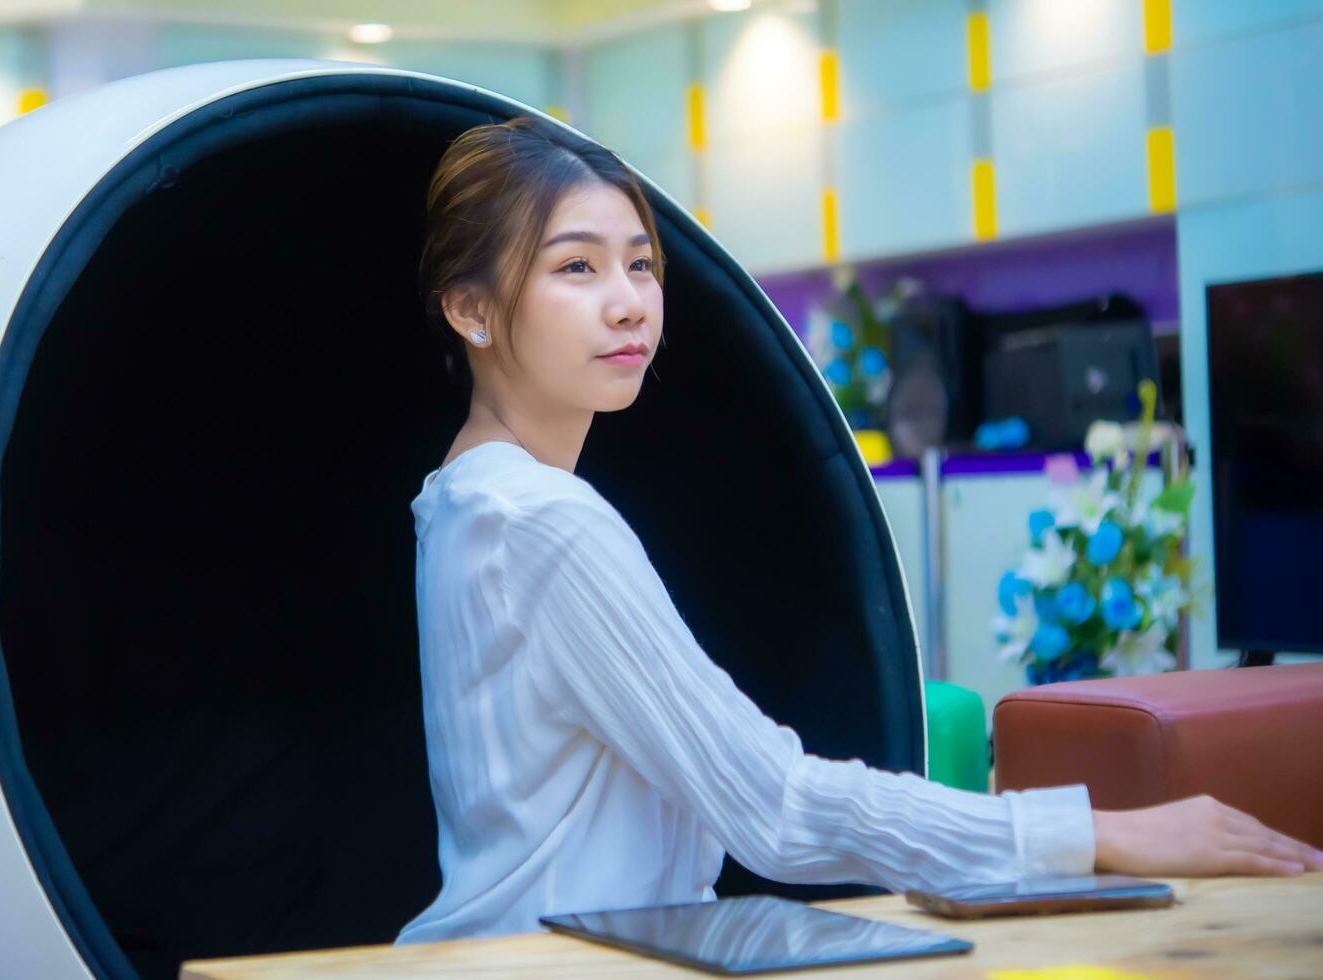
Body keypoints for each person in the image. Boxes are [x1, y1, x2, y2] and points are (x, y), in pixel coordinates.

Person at [395, 117, 1323, 944]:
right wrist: (1106, 832)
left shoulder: (461, 501)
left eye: (641, 262)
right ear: (470, 308)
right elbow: (776, 805)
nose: (630, 300)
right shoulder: (545, 521)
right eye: (575, 267)